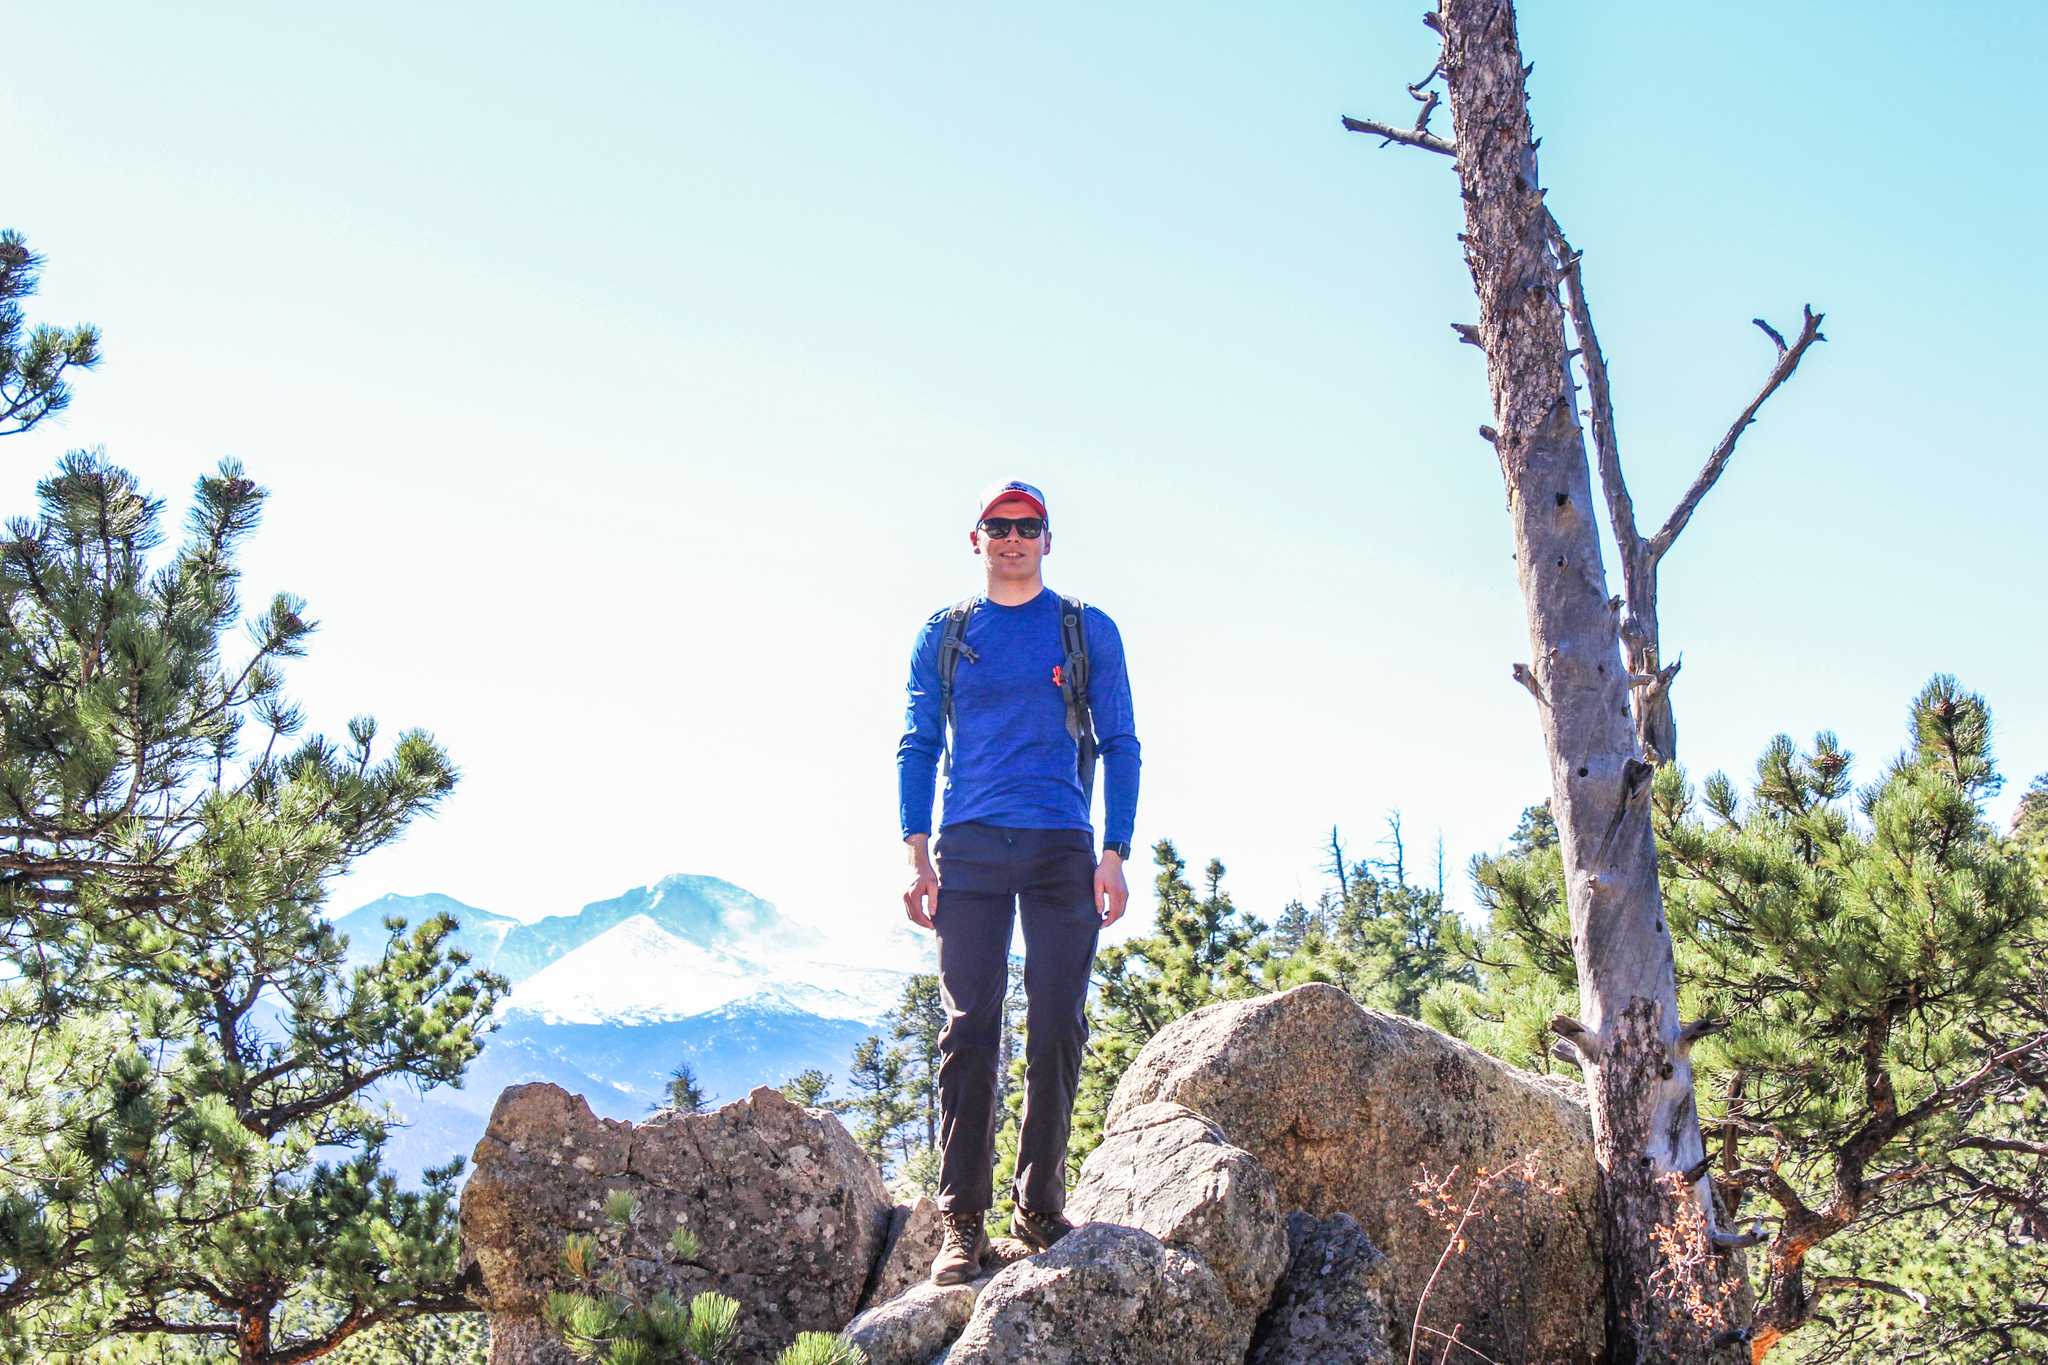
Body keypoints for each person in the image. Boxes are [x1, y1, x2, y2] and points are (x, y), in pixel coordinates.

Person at [896, 479, 1141, 1286]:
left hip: (1060, 845)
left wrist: (1115, 851)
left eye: (1026, 525)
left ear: (1046, 538)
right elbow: (917, 742)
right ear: (976, 538)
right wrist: (916, 853)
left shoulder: (1085, 629)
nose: (1012, 538)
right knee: (970, 1027)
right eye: (998, 526)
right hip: (967, 846)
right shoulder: (947, 631)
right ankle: (961, 1223)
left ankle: (1038, 1205)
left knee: (1057, 1024)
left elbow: (1122, 742)